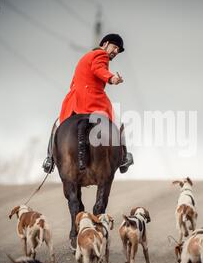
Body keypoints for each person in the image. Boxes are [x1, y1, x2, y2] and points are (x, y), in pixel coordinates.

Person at [42, 33, 134, 174]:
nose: (116, 51)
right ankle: (123, 158)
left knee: (58, 124)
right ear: (105, 44)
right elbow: (99, 69)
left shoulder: (85, 57)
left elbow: (74, 81)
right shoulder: (100, 55)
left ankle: (49, 159)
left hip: (73, 100)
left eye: (118, 50)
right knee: (119, 121)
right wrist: (111, 78)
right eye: (115, 47)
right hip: (93, 99)